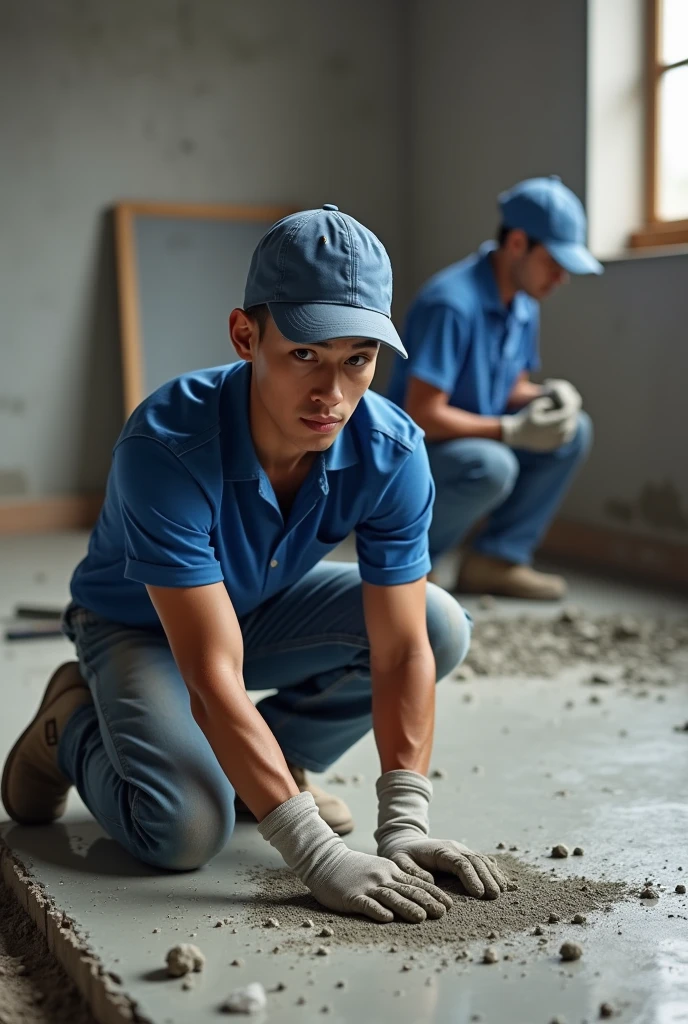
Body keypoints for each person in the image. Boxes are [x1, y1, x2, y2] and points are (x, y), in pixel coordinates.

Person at [2, 204, 507, 924]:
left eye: (356, 360)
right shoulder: (166, 447)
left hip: (256, 610)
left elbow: (400, 649)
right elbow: (211, 677)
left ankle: (265, 776)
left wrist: (404, 828)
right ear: (246, 335)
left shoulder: (391, 451)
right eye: (305, 354)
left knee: (438, 623)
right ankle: (70, 725)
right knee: (183, 832)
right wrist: (314, 854)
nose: (331, 394)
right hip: (139, 628)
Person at [387, 177, 601, 600]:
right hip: (414, 453)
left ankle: (496, 560)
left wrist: (548, 397)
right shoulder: (450, 303)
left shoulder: (522, 302)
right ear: (518, 243)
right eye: (555, 262)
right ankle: (407, 566)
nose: (561, 278)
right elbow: (423, 414)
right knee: (492, 464)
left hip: (472, 440)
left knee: (574, 430)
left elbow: (510, 387)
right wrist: (510, 432)